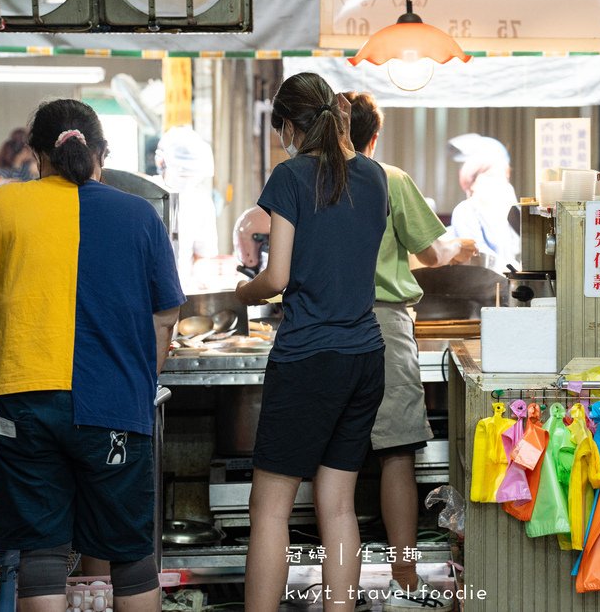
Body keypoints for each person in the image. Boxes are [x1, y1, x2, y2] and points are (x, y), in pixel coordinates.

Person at [0, 99, 184, 612]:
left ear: (37, 156)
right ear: (100, 155)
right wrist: (138, 384)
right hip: (113, 403)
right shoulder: (139, 216)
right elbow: (164, 318)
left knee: (41, 554)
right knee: (130, 557)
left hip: (23, 403)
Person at [235, 73, 388, 612]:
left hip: (309, 356)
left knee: (271, 509)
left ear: (287, 126)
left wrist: (240, 291)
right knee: (339, 506)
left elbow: (275, 277)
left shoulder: (291, 176)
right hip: (366, 356)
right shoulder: (374, 177)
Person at [345, 90, 476, 610]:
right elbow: (432, 249)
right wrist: (452, 242)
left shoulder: (310, 180)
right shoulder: (389, 179)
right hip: (382, 325)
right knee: (395, 450)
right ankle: (404, 577)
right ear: (373, 136)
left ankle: (341, 586)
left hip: (319, 326)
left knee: (336, 459)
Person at [155, 125, 221, 293]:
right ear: (161, 163)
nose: (187, 180)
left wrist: (201, 279)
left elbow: (203, 255)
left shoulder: (202, 203)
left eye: (192, 175)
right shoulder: (147, 195)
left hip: (182, 291)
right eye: (182, 174)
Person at [446, 133, 519, 272]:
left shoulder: (508, 213)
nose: (499, 182)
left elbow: (518, 250)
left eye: (504, 177)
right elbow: (478, 255)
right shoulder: (465, 211)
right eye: (490, 175)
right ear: (472, 181)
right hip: (478, 285)